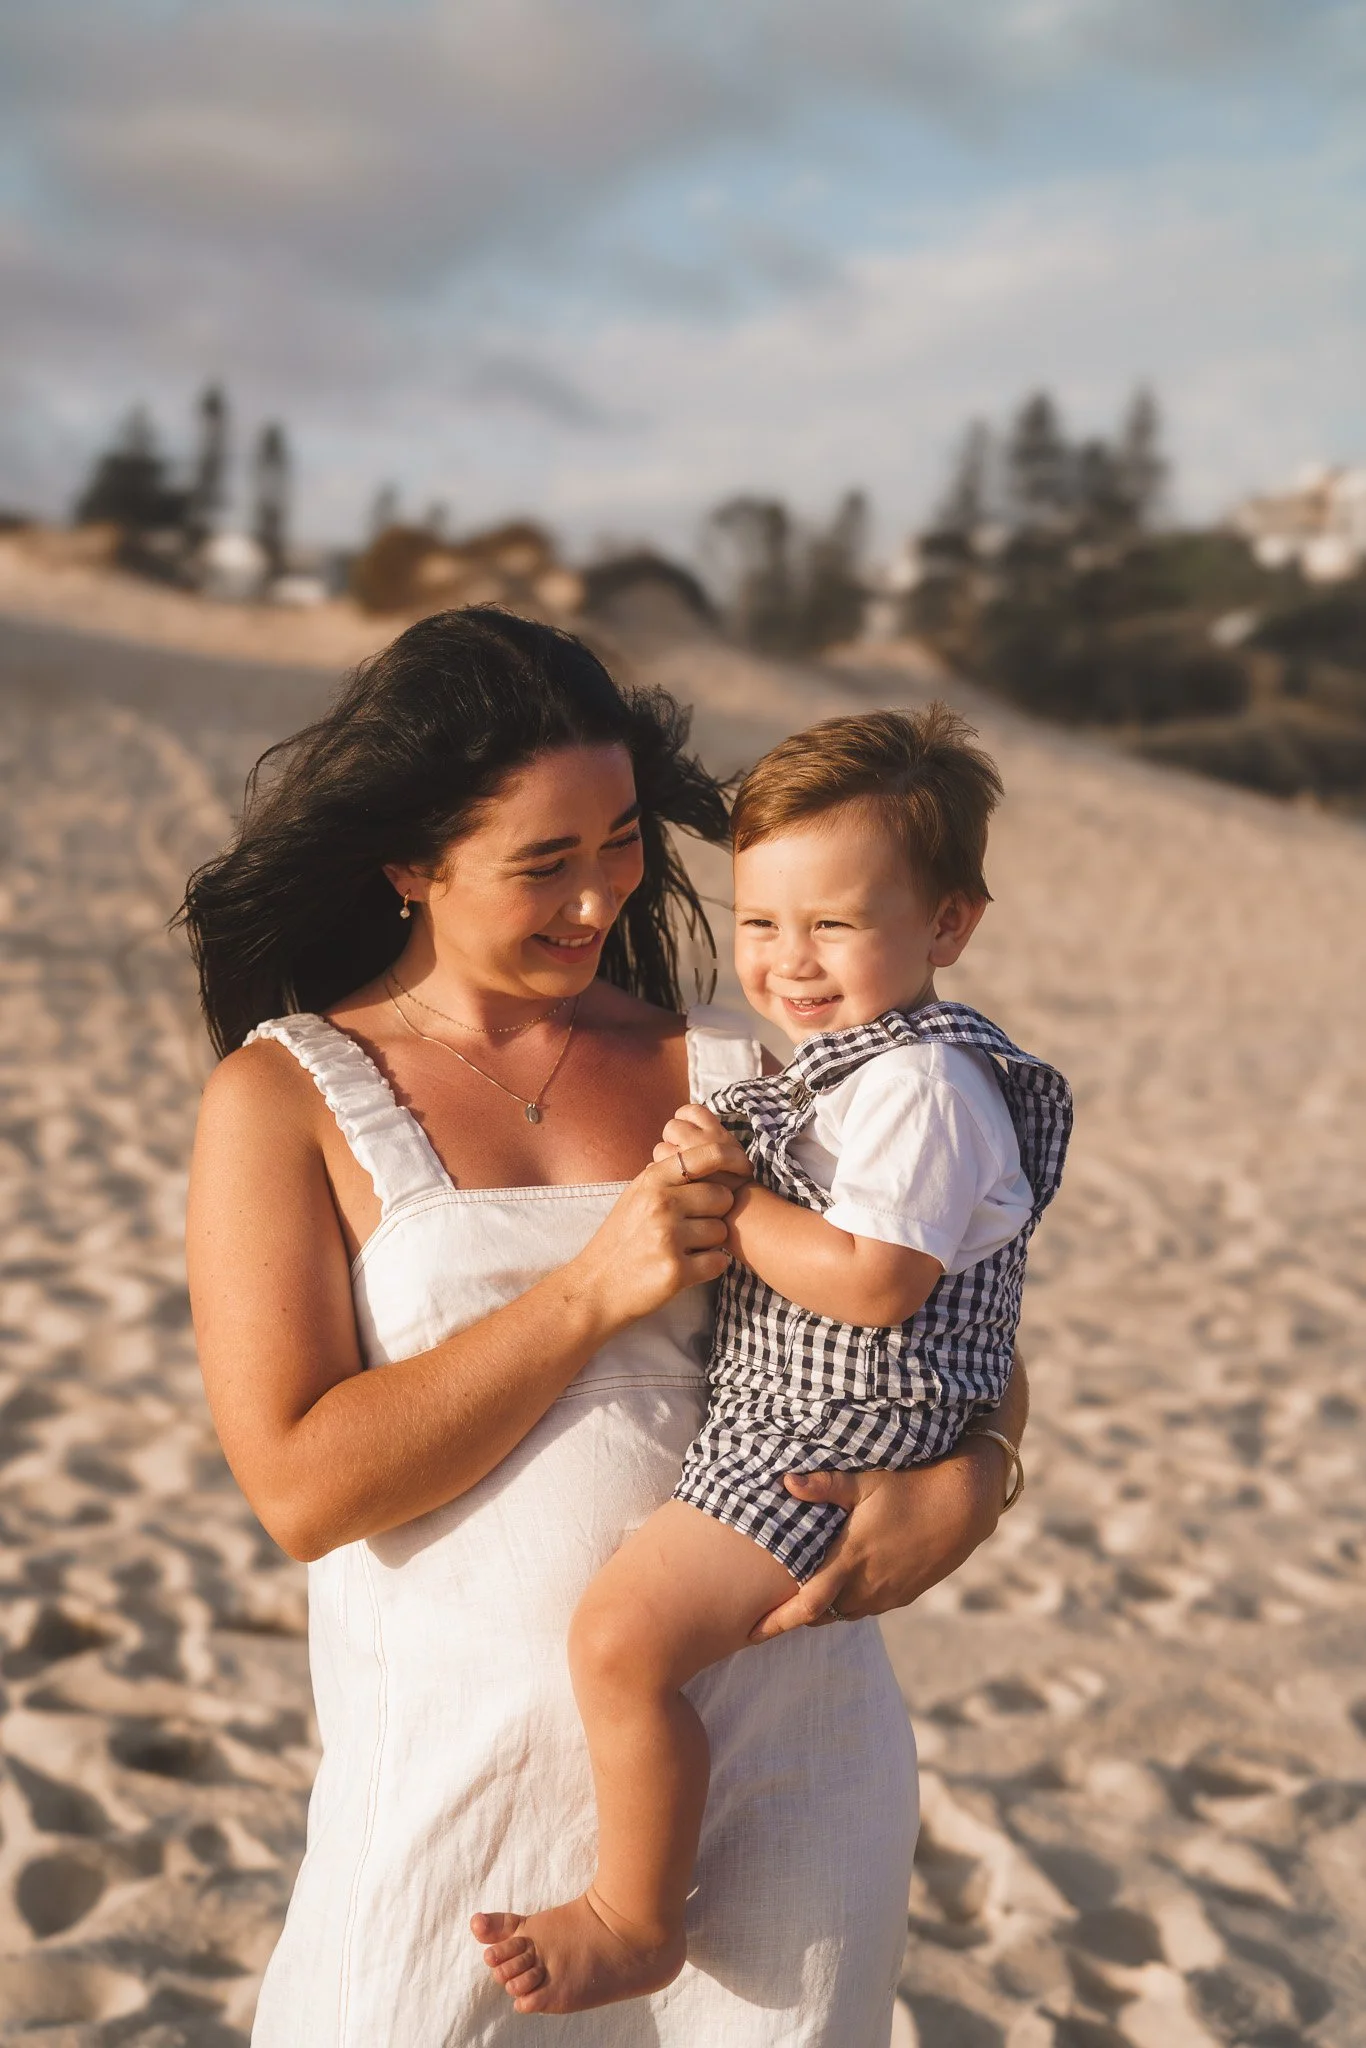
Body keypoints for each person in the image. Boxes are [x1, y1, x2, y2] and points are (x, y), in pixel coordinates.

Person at [183, 610, 1028, 2048]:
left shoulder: (744, 1062)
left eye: (623, 840)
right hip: (463, 1788)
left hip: (788, 1757)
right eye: (542, 863)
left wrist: (974, 1479)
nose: (596, 900)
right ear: (411, 864)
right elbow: (300, 1487)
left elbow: (953, 1315)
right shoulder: (286, 1099)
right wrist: (591, 1290)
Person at [476, 707, 1070, 2017]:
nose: (788, 963)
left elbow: (878, 1283)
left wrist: (733, 1207)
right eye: (759, 923)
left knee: (623, 1644)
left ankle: (635, 1916)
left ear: (947, 927)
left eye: (835, 925)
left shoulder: (920, 1086)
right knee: (628, 1642)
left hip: (818, 1449)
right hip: (805, 1430)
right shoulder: (846, 1073)